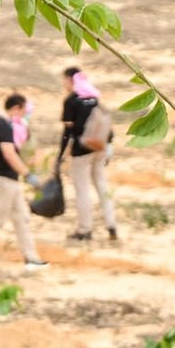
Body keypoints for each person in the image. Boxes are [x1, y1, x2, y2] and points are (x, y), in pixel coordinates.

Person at [0, 93, 48, 270]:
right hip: (1, 180)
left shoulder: (10, 126)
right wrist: (27, 174)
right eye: (24, 110)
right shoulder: (1, 124)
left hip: (10, 181)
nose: (25, 114)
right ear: (16, 108)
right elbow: (9, 153)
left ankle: (31, 257)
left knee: (21, 218)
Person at [58, 67, 117, 243]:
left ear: (70, 80)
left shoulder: (71, 101)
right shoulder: (93, 97)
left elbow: (68, 131)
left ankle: (85, 229)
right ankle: (111, 224)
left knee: (82, 190)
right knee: (102, 185)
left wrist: (60, 155)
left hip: (81, 151)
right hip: (99, 148)